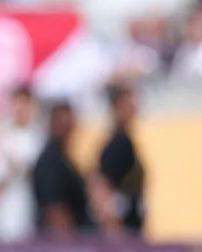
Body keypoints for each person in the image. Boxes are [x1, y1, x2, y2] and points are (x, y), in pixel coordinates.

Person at [0, 85, 45, 242]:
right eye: (17, 103)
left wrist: (21, 167)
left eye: (25, 103)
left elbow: (38, 170)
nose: (20, 108)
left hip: (31, 205)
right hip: (5, 205)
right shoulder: (1, 135)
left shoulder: (39, 136)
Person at [89, 83, 145, 238]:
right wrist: (114, 231)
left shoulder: (124, 140)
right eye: (129, 102)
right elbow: (100, 189)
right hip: (124, 233)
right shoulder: (119, 143)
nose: (135, 107)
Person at [32, 100, 94, 236]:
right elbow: (54, 212)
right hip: (63, 245)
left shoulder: (64, 158)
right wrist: (67, 248)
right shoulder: (51, 161)